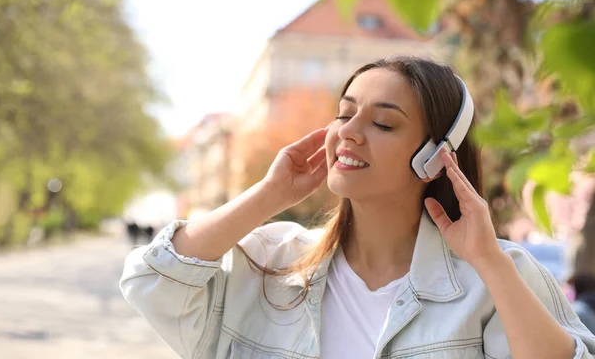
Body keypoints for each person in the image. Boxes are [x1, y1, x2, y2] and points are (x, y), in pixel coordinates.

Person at [120, 56, 595, 359]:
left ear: (435, 156)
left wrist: (488, 260)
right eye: (345, 114)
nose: (348, 130)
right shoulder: (270, 258)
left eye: (384, 123)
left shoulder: (496, 274)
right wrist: (270, 195)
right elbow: (151, 282)